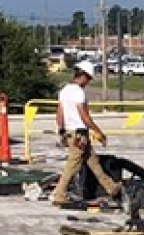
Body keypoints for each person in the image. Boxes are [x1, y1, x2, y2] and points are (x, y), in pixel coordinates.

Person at [50, 60, 120, 207]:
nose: (88, 82)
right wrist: (99, 131)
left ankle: (111, 188)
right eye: (88, 79)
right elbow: (85, 117)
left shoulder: (64, 91)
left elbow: (59, 114)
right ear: (83, 75)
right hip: (79, 135)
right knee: (72, 165)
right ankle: (59, 195)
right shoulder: (78, 92)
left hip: (70, 133)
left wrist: (61, 131)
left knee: (93, 163)